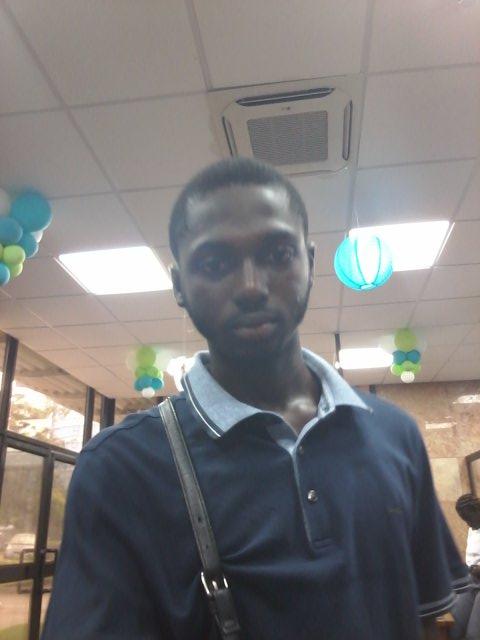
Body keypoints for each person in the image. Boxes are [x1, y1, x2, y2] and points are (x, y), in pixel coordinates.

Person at [42, 158, 469, 640]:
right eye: (215, 263)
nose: (250, 286)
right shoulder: (120, 470)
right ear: (179, 285)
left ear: (310, 264)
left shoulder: (395, 434)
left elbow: (428, 620)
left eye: (278, 253)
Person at [451, 494, 480, 639]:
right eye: (464, 519)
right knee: (454, 627)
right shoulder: (472, 528)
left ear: (477, 510)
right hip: (471, 580)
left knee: (473, 634)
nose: (467, 523)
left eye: (469, 518)